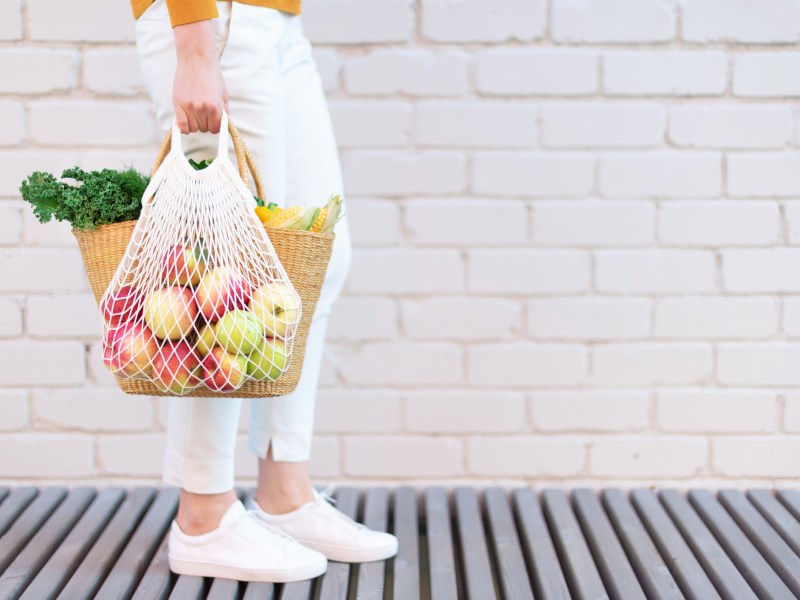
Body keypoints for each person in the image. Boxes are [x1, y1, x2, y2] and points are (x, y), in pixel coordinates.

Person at [133, 0, 399, 583]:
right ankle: (202, 513)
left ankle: (284, 492)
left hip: (276, 20)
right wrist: (196, 48)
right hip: (213, 21)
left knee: (319, 257)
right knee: (224, 276)